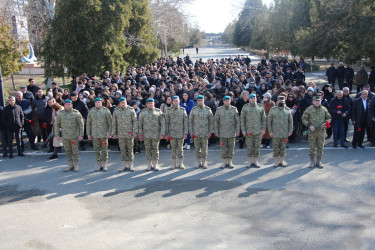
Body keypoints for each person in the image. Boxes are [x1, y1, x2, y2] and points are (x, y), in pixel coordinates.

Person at [302, 96, 331, 168]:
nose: (317, 102)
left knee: (320, 147)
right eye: (316, 101)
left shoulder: (324, 109)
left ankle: (319, 161)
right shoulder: (309, 109)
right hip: (312, 132)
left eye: (318, 101)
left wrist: (326, 123)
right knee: (312, 147)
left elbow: (329, 118)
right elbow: (304, 118)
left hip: (321, 131)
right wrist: (309, 125)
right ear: (313, 101)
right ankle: (312, 161)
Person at [54, 99, 84, 171]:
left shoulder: (76, 113)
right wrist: (57, 134)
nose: (68, 105)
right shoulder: (61, 113)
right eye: (66, 104)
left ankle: (76, 165)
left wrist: (81, 135)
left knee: (75, 151)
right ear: (64, 105)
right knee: (67, 151)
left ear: (72, 105)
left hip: (74, 136)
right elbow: (57, 124)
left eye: (69, 104)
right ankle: (70, 165)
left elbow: (81, 125)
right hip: (65, 136)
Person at [138, 98, 165, 171]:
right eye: (149, 103)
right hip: (146, 135)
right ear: (146, 104)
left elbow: (162, 124)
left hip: (156, 134)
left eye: (152, 103)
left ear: (154, 103)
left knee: (155, 149)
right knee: (148, 150)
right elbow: (140, 124)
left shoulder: (158, 112)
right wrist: (140, 134)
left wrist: (162, 133)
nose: (150, 104)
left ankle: (155, 164)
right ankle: (149, 164)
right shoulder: (142, 113)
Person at [112, 97, 138, 172]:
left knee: (130, 150)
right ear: (119, 104)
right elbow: (114, 123)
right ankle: (124, 165)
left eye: (124, 102)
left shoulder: (131, 110)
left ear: (126, 102)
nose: (123, 104)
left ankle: (131, 165)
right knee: (122, 150)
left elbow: (135, 122)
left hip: (129, 134)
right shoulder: (116, 111)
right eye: (122, 102)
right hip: (120, 134)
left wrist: (135, 132)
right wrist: (114, 133)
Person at [240, 93, 266, 168]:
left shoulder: (260, 107)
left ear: (256, 99)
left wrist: (263, 129)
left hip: (258, 131)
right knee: (249, 147)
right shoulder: (245, 107)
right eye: (251, 98)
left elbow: (263, 119)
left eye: (254, 98)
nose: (253, 99)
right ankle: (249, 161)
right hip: (249, 131)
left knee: (257, 146)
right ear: (249, 99)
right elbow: (242, 119)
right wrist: (243, 130)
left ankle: (256, 161)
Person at [86, 97, 112, 171]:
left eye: (99, 102)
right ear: (94, 103)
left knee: (104, 150)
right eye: (96, 102)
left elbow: (110, 123)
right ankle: (99, 164)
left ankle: (105, 164)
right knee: (97, 150)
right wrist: (88, 134)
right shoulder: (91, 111)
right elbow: (88, 123)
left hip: (104, 134)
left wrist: (109, 132)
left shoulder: (106, 111)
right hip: (95, 134)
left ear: (101, 103)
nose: (97, 103)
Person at [214, 96, 240, 168]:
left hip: (232, 132)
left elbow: (237, 121)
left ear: (230, 101)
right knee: (223, 148)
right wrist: (216, 131)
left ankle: (230, 161)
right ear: (223, 101)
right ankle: (224, 162)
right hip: (222, 133)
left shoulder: (234, 109)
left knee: (231, 148)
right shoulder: (219, 110)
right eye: (226, 101)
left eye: (228, 100)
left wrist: (237, 131)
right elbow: (216, 121)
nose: (227, 102)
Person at [189, 95, 213, 169]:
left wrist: (210, 132)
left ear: (203, 100)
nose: (200, 101)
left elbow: (211, 122)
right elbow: (190, 121)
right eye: (198, 100)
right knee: (197, 148)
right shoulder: (194, 109)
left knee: (205, 148)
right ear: (197, 101)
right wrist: (191, 131)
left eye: (201, 100)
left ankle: (204, 161)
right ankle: (198, 161)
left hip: (205, 132)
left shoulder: (208, 110)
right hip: (196, 132)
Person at [268, 96, 293, 167]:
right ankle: (275, 161)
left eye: (282, 102)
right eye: (279, 102)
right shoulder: (273, 110)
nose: (281, 103)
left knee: (283, 147)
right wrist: (270, 131)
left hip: (284, 133)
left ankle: (282, 161)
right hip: (275, 133)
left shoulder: (287, 110)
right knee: (275, 148)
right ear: (277, 102)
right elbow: (269, 122)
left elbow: (290, 121)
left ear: (284, 102)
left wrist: (290, 131)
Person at [165, 96, 188, 169]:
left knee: (180, 149)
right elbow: (166, 122)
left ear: (179, 101)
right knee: (173, 149)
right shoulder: (168, 110)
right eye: (174, 100)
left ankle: (181, 163)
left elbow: (185, 122)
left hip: (180, 133)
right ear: (172, 101)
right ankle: (173, 163)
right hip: (172, 133)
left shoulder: (182, 110)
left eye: (177, 100)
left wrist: (185, 133)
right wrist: (167, 133)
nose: (176, 102)